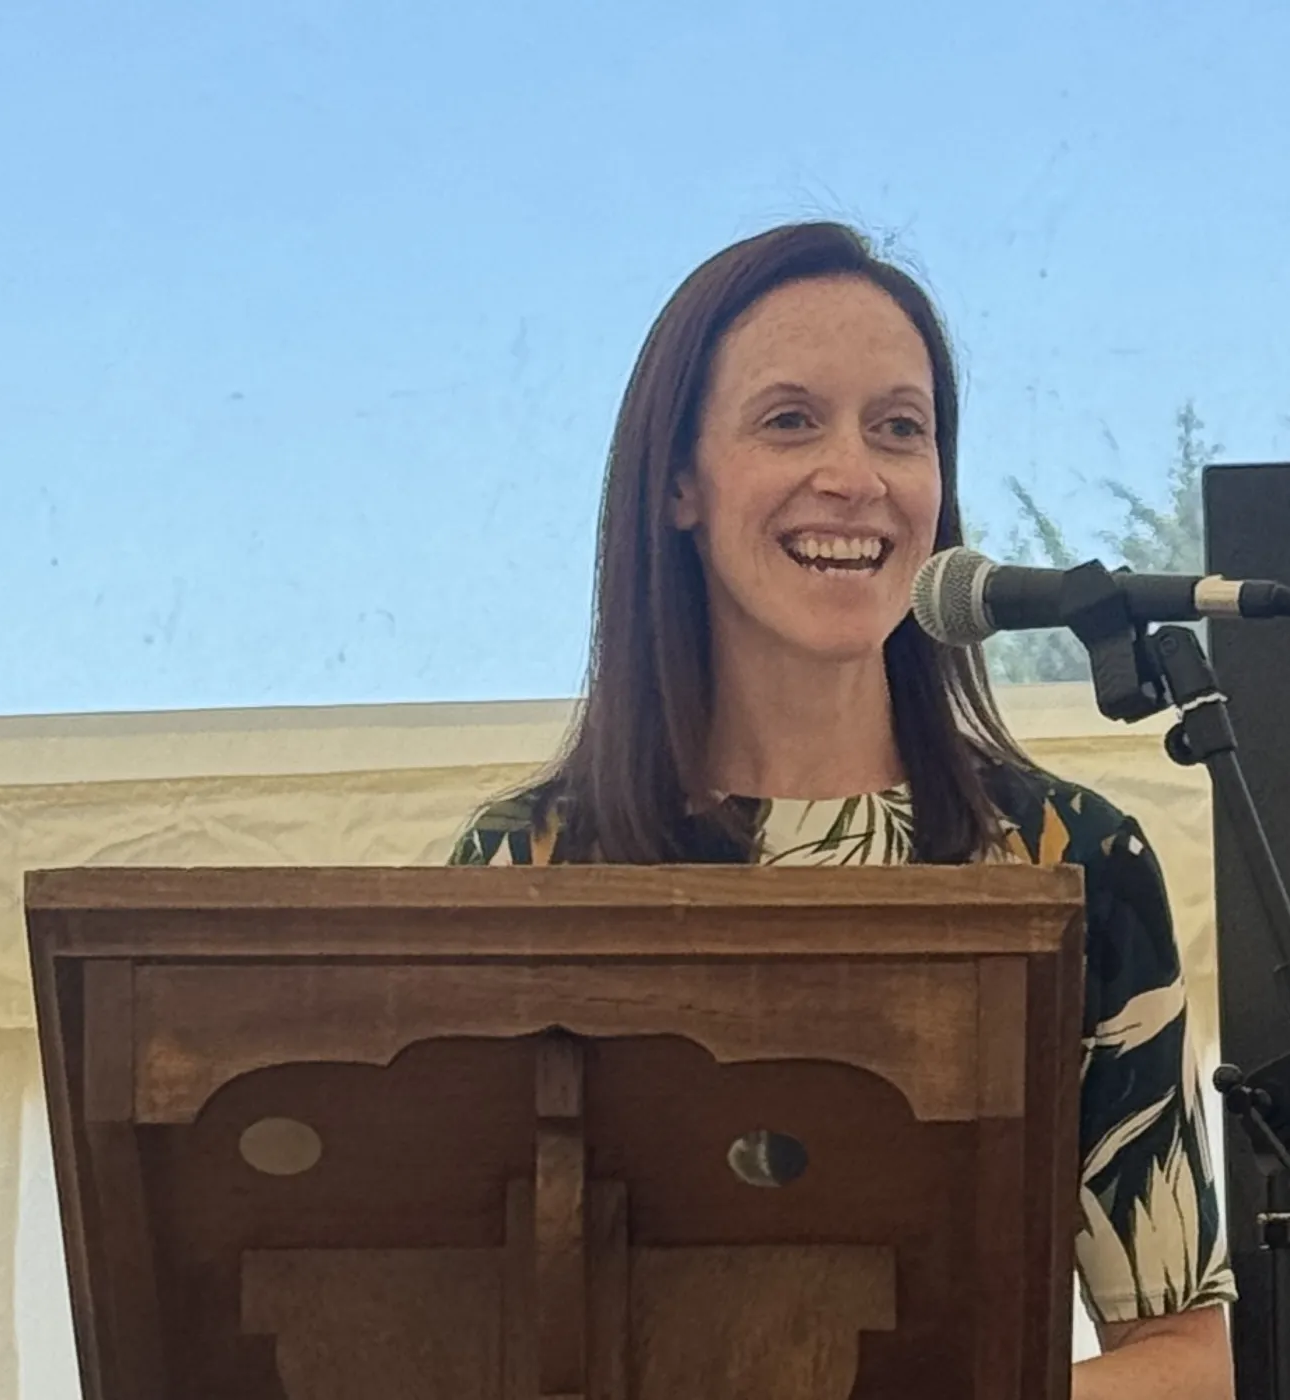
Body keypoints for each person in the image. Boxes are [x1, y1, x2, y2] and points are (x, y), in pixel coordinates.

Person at [451, 222, 1237, 1397]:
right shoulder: (526, 864)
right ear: (677, 483)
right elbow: (451, 1325)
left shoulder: (1069, 860)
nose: (856, 476)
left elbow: (1188, 1353)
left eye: (900, 428)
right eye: (789, 420)